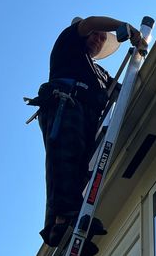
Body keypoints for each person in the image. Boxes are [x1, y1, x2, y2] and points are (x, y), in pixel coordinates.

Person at [33, 16, 147, 254]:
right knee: (65, 159)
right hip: (66, 105)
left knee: (80, 170)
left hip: (87, 118)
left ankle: (71, 226)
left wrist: (140, 61)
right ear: (84, 34)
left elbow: (121, 89)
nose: (98, 39)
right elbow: (92, 21)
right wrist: (127, 28)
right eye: (95, 34)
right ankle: (62, 220)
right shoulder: (68, 46)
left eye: (102, 37)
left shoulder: (99, 72)